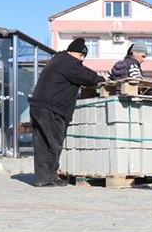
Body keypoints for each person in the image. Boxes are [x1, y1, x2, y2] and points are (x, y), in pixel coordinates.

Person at [28, 38, 105, 187]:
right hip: (50, 109)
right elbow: (86, 76)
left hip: (40, 106)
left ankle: (45, 178)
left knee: (42, 143)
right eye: (81, 56)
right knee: (52, 143)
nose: (82, 59)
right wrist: (100, 79)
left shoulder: (59, 59)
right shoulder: (68, 62)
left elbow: (82, 71)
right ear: (74, 52)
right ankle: (47, 178)